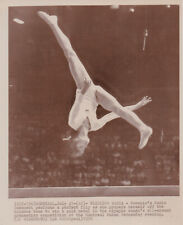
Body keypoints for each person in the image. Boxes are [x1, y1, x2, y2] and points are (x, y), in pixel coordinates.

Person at [38, 11, 153, 157]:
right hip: (96, 95)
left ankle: (53, 23)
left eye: (79, 147)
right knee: (118, 109)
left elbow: (78, 103)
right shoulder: (96, 126)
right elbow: (113, 115)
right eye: (83, 149)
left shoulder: (73, 122)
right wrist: (135, 106)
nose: (84, 146)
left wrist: (85, 89)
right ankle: (143, 128)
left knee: (71, 55)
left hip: (84, 88)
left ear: (74, 141)